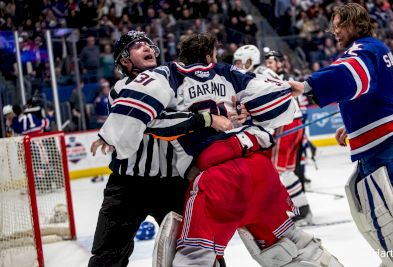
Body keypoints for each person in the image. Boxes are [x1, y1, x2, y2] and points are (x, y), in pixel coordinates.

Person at [145, 33, 341, 267]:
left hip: (217, 177)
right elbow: (277, 102)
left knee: (195, 256)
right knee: (286, 242)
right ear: (210, 56)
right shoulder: (230, 75)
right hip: (257, 168)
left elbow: (148, 119)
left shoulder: (169, 79)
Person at [289, 3, 393, 267]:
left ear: (354, 23)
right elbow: (374, 94)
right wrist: (350, 127)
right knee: (386, 224)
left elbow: (351, 75)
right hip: (384, 145)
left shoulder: (365, 49)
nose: (334, 31)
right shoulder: (371, 50)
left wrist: (307, 86)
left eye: (339, 25)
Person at [88, 31, 233, 267]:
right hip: (127, 186)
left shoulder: (175, 82)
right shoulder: (121, 90)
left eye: (148, 44)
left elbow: (202, 107)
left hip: (173, 185)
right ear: (125, 60)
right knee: (107, 256)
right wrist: (203, 119)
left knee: (201, 252)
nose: (147, 47)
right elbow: (154, 123)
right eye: (138, 46)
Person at [234, 45, 316, 226]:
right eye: (237, 62)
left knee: (278, 171)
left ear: (251, 60)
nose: (239, 65)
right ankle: (303, 211)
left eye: (242, 61)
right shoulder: (263, 72)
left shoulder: (259, 74)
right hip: (293, 121)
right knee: (286, 170)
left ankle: (290, 212)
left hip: (287, 124)